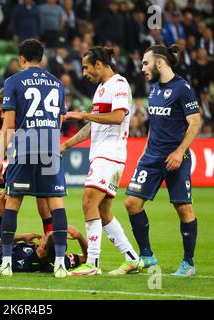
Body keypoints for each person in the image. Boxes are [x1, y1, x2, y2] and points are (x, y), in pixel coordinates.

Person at [0, 39, 68, 278]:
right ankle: (60, 264)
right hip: (49, 148)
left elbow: (9, 123)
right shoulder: (57, 84)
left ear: (21, 59)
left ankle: (6, 263)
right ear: (42, 59)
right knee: (56, 203)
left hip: (24, 148)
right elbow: (60, 119)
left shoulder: (13, 81)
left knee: (13, 201)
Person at [61, 46, 140, 276]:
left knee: (88, 202)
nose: (84, 73)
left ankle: (93, 263)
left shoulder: (119, 85)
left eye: (86, 67)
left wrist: (84, 114)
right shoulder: (101, 89)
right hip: (103, 153)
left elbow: (117, 117)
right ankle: (132, 258)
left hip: (111, 153)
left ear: (98, 64)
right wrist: (67, 143)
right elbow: (94, 124)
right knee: (103, 210)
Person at [124, 44, 201, 277]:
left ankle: (188, 264)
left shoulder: (183, 88)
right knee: (131, 203)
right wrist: (144, 152)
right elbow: (155, 126)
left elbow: (195, 123)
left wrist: (179, 152)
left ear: (159, 63)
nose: (142, 68)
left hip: (175, 158)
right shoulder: (154, 89)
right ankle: (147, 256)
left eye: (145, 63)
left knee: (184, 209)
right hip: (151, 158)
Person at [0, 89, 53, 239]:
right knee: (1, 202)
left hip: (37, 156)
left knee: (44, 203)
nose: (2, 115)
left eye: (4, 111)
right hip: (17, 160)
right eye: (0, 110)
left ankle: (51, 245)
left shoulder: (27, 117)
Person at [0, 217, 87, 273]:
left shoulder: (21, 259)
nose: (44, 235)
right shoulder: (58, 260)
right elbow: (85, 258)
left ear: (43, 246)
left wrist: (20, 237)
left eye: (46, 236)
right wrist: (79, 236)